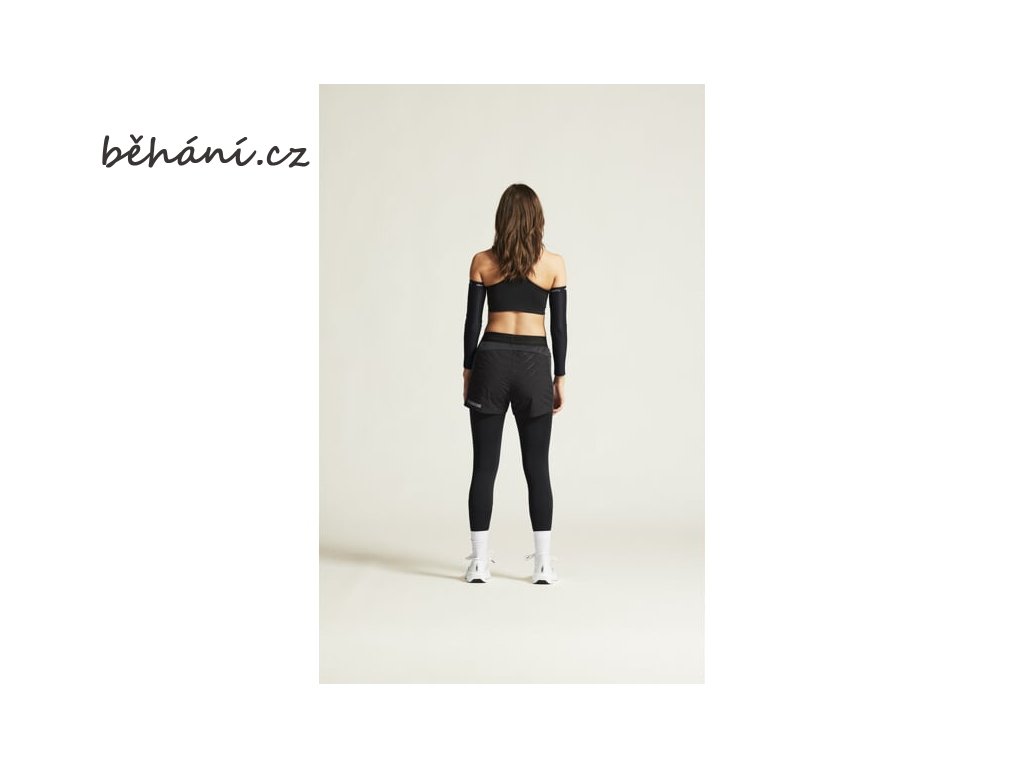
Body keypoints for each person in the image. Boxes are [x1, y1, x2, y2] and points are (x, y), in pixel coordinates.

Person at [461, 184, 567, 585]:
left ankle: (479, 563)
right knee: (537, 467)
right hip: (535, 362)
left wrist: (468, 371)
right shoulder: (554, 264)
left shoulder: (482, 262)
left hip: (491, 361)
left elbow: (472, 323)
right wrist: (559, 376)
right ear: (538, 219)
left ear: (501, 218)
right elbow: (560, 328)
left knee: (484, 466)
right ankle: (543, 565)